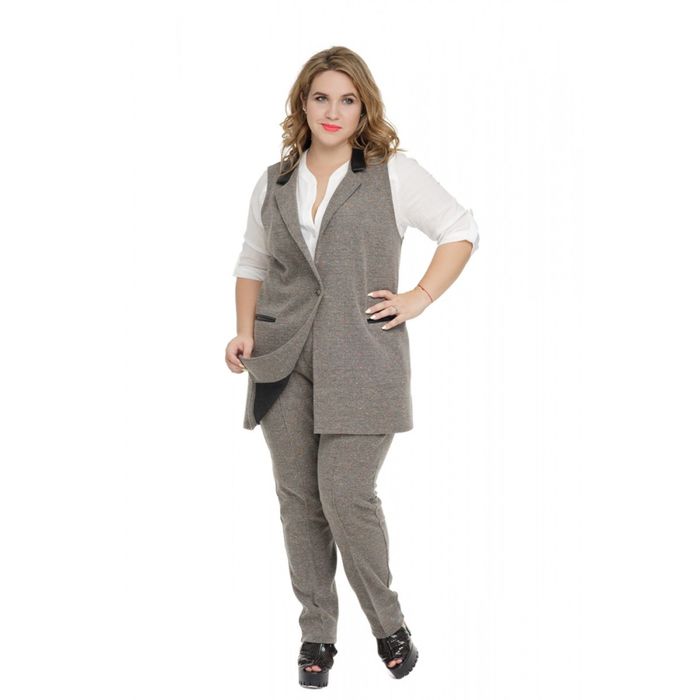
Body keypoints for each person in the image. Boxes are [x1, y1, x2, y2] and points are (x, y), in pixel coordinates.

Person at [225, 46, 479, 688]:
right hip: (282, 358)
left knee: (345, 494)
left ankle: (388, 625)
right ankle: (316, 636)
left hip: (363, 359)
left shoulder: (393, 174)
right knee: (299, 501)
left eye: (347, 99)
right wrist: (243, 332)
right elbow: (253, 261)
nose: (332, 111)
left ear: (364, 108)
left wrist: (418, 297)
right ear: (302, 104)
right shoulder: (274, 181)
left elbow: (461, 229)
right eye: (321, 97)